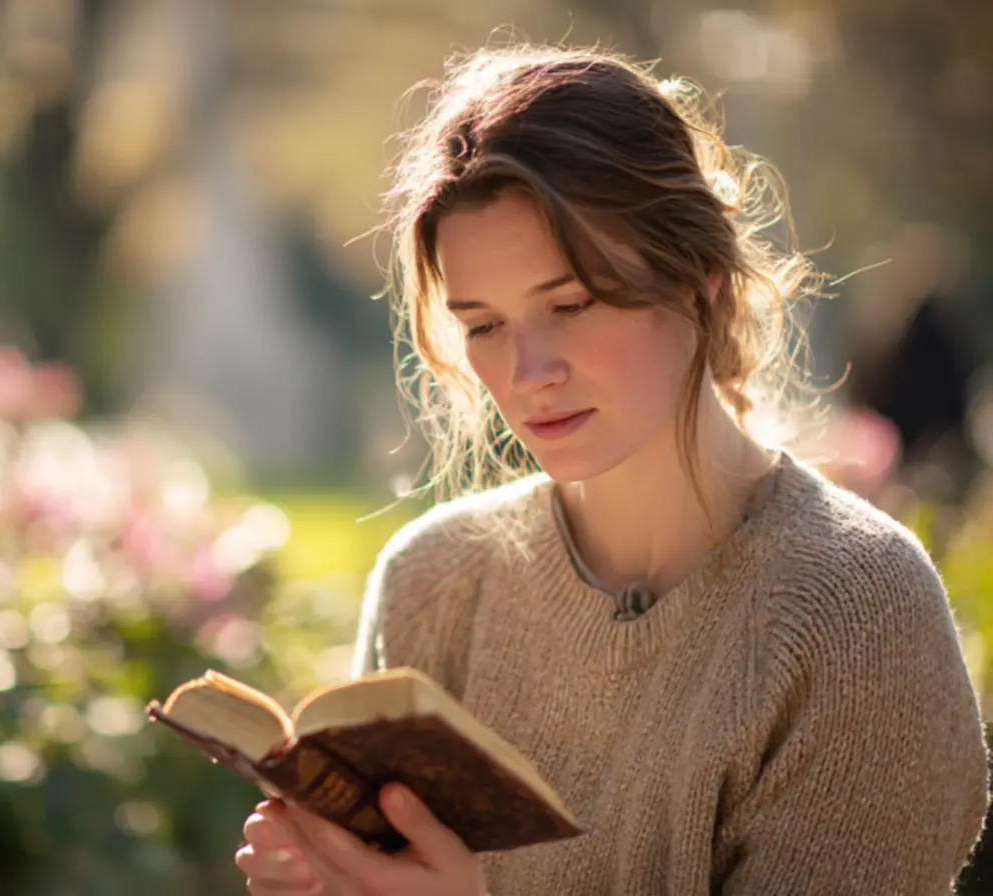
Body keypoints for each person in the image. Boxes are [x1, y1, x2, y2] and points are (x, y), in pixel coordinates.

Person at [234, 43, 990, 895]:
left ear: (699, 277)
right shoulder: (433, 583)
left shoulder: (859, 612)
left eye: (571, 304)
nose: (528, 373)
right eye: (484, 326)